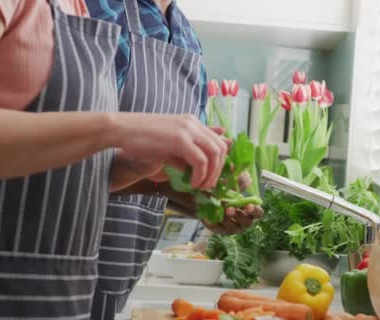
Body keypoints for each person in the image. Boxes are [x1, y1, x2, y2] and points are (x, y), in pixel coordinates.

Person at [0, 0, 231, 318]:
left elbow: (59, 173)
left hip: (62, 298)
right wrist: (115, 128)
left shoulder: (78, 10)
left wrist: (139, 170)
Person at [84, 1, 263, 318]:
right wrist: (163, 185)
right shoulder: (97, 10)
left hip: (121, 274)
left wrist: (204, 197)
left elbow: (171, 172)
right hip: (60, 259)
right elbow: (57, 161)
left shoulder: (187, 37)